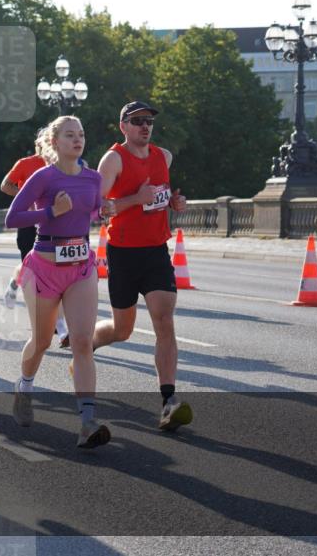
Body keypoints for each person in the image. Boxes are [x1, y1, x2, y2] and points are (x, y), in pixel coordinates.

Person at [5, 115, 111, 448]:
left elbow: (91, 212)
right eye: (69, 135)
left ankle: (87, 422)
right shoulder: (42, 177)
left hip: (81, 266)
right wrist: (51, 211)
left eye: (80, 134)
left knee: (82, 341)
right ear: (55, 142)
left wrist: (102, 213)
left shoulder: (93, 179)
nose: (77, 140)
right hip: (44, 268)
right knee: (41, 341)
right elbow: (13, 217)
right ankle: (24, 388)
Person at [91, 101, 192, 431]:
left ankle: (168, 401)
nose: (144, 126)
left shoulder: (164, 156)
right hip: (122, 253)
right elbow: (100, 209)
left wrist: (174, 203)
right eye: (137, 121)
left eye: (148, 121)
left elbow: (161, 197)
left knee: (164, 319)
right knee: (123, 331)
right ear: (124, 127)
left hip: (155, 252)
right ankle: (85, 344)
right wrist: (136, 199)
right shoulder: (113, 159)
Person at [1, 138, 48, 308]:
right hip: (28, 221)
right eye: (49, 141)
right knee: (29, 263)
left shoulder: (62, 164)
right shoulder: (25, 163)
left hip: (51, 222)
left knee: (48, 266)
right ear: (40, 144)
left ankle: (47, 310)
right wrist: (27, 196)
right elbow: (5, 185)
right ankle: (16, 283)